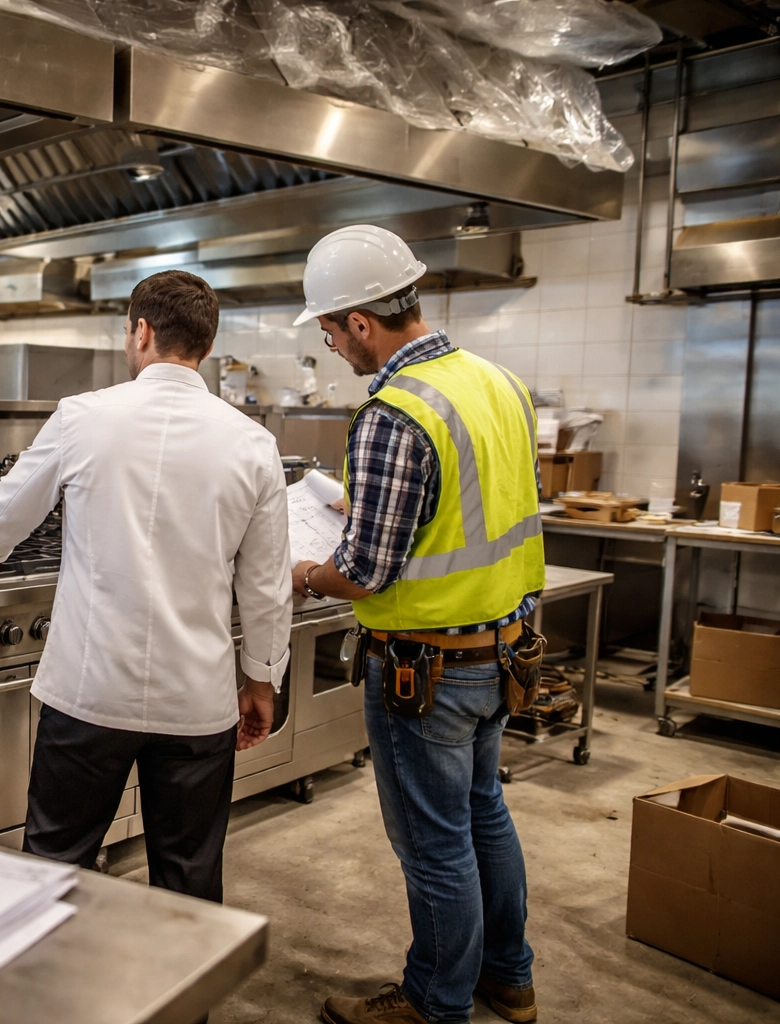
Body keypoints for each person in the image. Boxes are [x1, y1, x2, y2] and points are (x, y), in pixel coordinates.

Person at [0, 269, 293, 906]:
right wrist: (261, 680)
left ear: (141, 332)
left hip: (89, 694)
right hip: (197, 703)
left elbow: (6, 513)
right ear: (207, 346)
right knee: (187, 881)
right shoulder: (254, 444)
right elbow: (268, 587)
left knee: (56, 865)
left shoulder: (83, 416)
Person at [291, 226, 545, 1024]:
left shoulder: (393, 412)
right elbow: (465, 508)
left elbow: (365, 571)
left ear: (361, 322)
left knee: (435, 845)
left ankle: (436, 1004)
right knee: (483, 815)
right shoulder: (498, 381)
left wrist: (304, 574)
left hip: (425, 672)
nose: (332, 346)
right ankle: (509, 976)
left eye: (330, 330)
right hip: (503, 650)